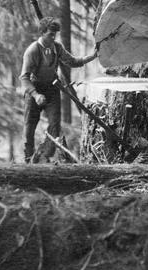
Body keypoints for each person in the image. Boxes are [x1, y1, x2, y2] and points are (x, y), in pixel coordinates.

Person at [20, 16, 98, 163]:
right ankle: (28, 160)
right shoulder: (32, 51)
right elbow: (24, 78)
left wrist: (92, 57)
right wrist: (36, 95)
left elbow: (73, 61)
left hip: (52, 89)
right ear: (42, 33)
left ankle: (44, 156)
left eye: (55, 34)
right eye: (50, 34)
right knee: (29, 127)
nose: (53, 37)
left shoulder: (57, 47)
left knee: (54, 125)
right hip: (34, 90)